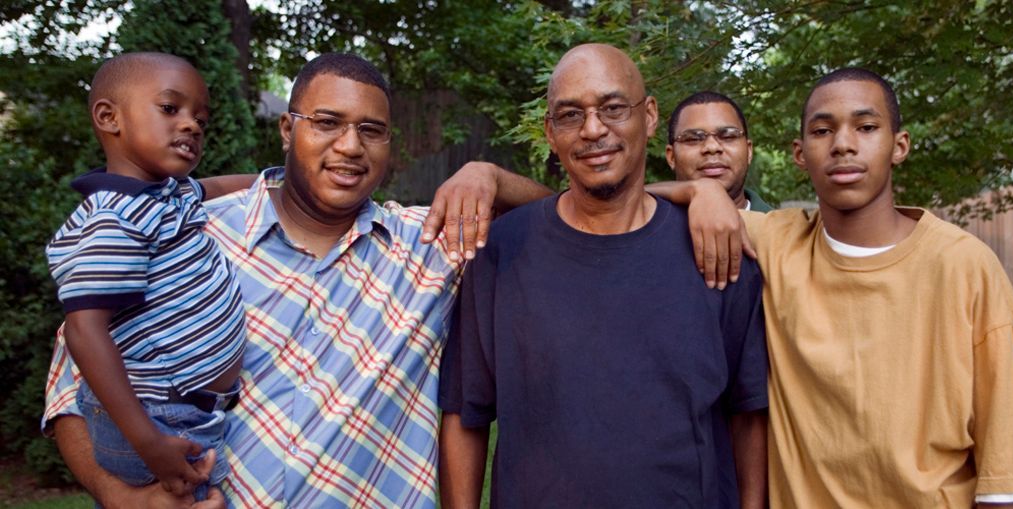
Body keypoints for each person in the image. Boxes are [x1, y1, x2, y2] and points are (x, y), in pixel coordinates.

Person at [43, 52, 553, 508]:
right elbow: (70, 385)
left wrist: (489, 175)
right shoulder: (189, 233)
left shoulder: (428, 248)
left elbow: (569, 218)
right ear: (288, 130)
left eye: (371, 130)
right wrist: (117, 495)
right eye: (327, 122)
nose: (351, 145)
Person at [658, 67, 1013, 508]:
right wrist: (701, 192)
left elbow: (1010, 473)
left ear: (899, 145)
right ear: (800, 153)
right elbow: (633, 202)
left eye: (866, 127)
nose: (843, 144)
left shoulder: (962, 265)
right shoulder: (776, 243)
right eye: (823, 130)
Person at [438, 43, 769, 509]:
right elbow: (464, 414)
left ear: (649, 116)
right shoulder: (501, 252)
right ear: (551, 132)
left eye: (613, 108)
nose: (594, 130)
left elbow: (748, 412)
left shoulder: (715, 246)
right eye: (571, 115)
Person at [44, 52, 246, 502]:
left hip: (185, 409)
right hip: (154, 417)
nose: (192, 125)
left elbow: (216, 186)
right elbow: (84, 332)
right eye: (171, 109)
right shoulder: (114, 219)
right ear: (108, 117)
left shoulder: (165, 196)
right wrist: (149, 442)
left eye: (201, 119)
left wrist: (279, 180)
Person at [665, 91, 773, 212]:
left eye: (728, 136)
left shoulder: (787, 229)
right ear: (671, 157)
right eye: (693, 138)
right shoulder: (647, 227)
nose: (712, 147)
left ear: (749, 151)